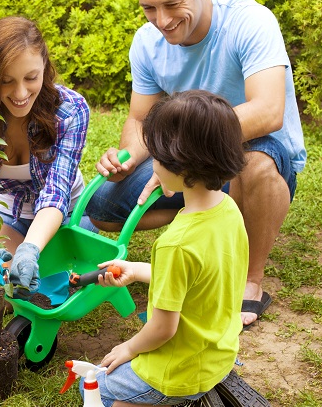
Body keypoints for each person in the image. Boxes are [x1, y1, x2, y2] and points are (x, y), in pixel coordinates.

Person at [85, 0, 306, 329]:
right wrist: (127, 158)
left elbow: (267, 111)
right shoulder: (146, 42)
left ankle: (249, 277)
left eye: (172, 5)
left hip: (254, 148)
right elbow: (141, 118)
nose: (162, 20)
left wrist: (181, 151)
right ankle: (204, 216)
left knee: (256, 165)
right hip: (188, 157)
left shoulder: (250, 21)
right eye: (148, 8)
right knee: (101, 207)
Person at [86, 90, 249, 406]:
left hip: (178, 372)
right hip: (217, 357)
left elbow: (161, 329)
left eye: (157, 158)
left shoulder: (175, 244)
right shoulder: (229, 210)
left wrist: (129, 348)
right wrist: (134, 270)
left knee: (96, 389)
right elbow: (197, 280)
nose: (153, 165)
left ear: (182, 167)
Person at [0, 16, 90, 308]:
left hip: (62, 217)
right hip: (6, 213)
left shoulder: (70, 110)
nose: (20, 93)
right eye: (6, 81)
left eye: (31, 78)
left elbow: (56, 192)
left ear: (45, 68)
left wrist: (30, 248)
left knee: (46, 296)